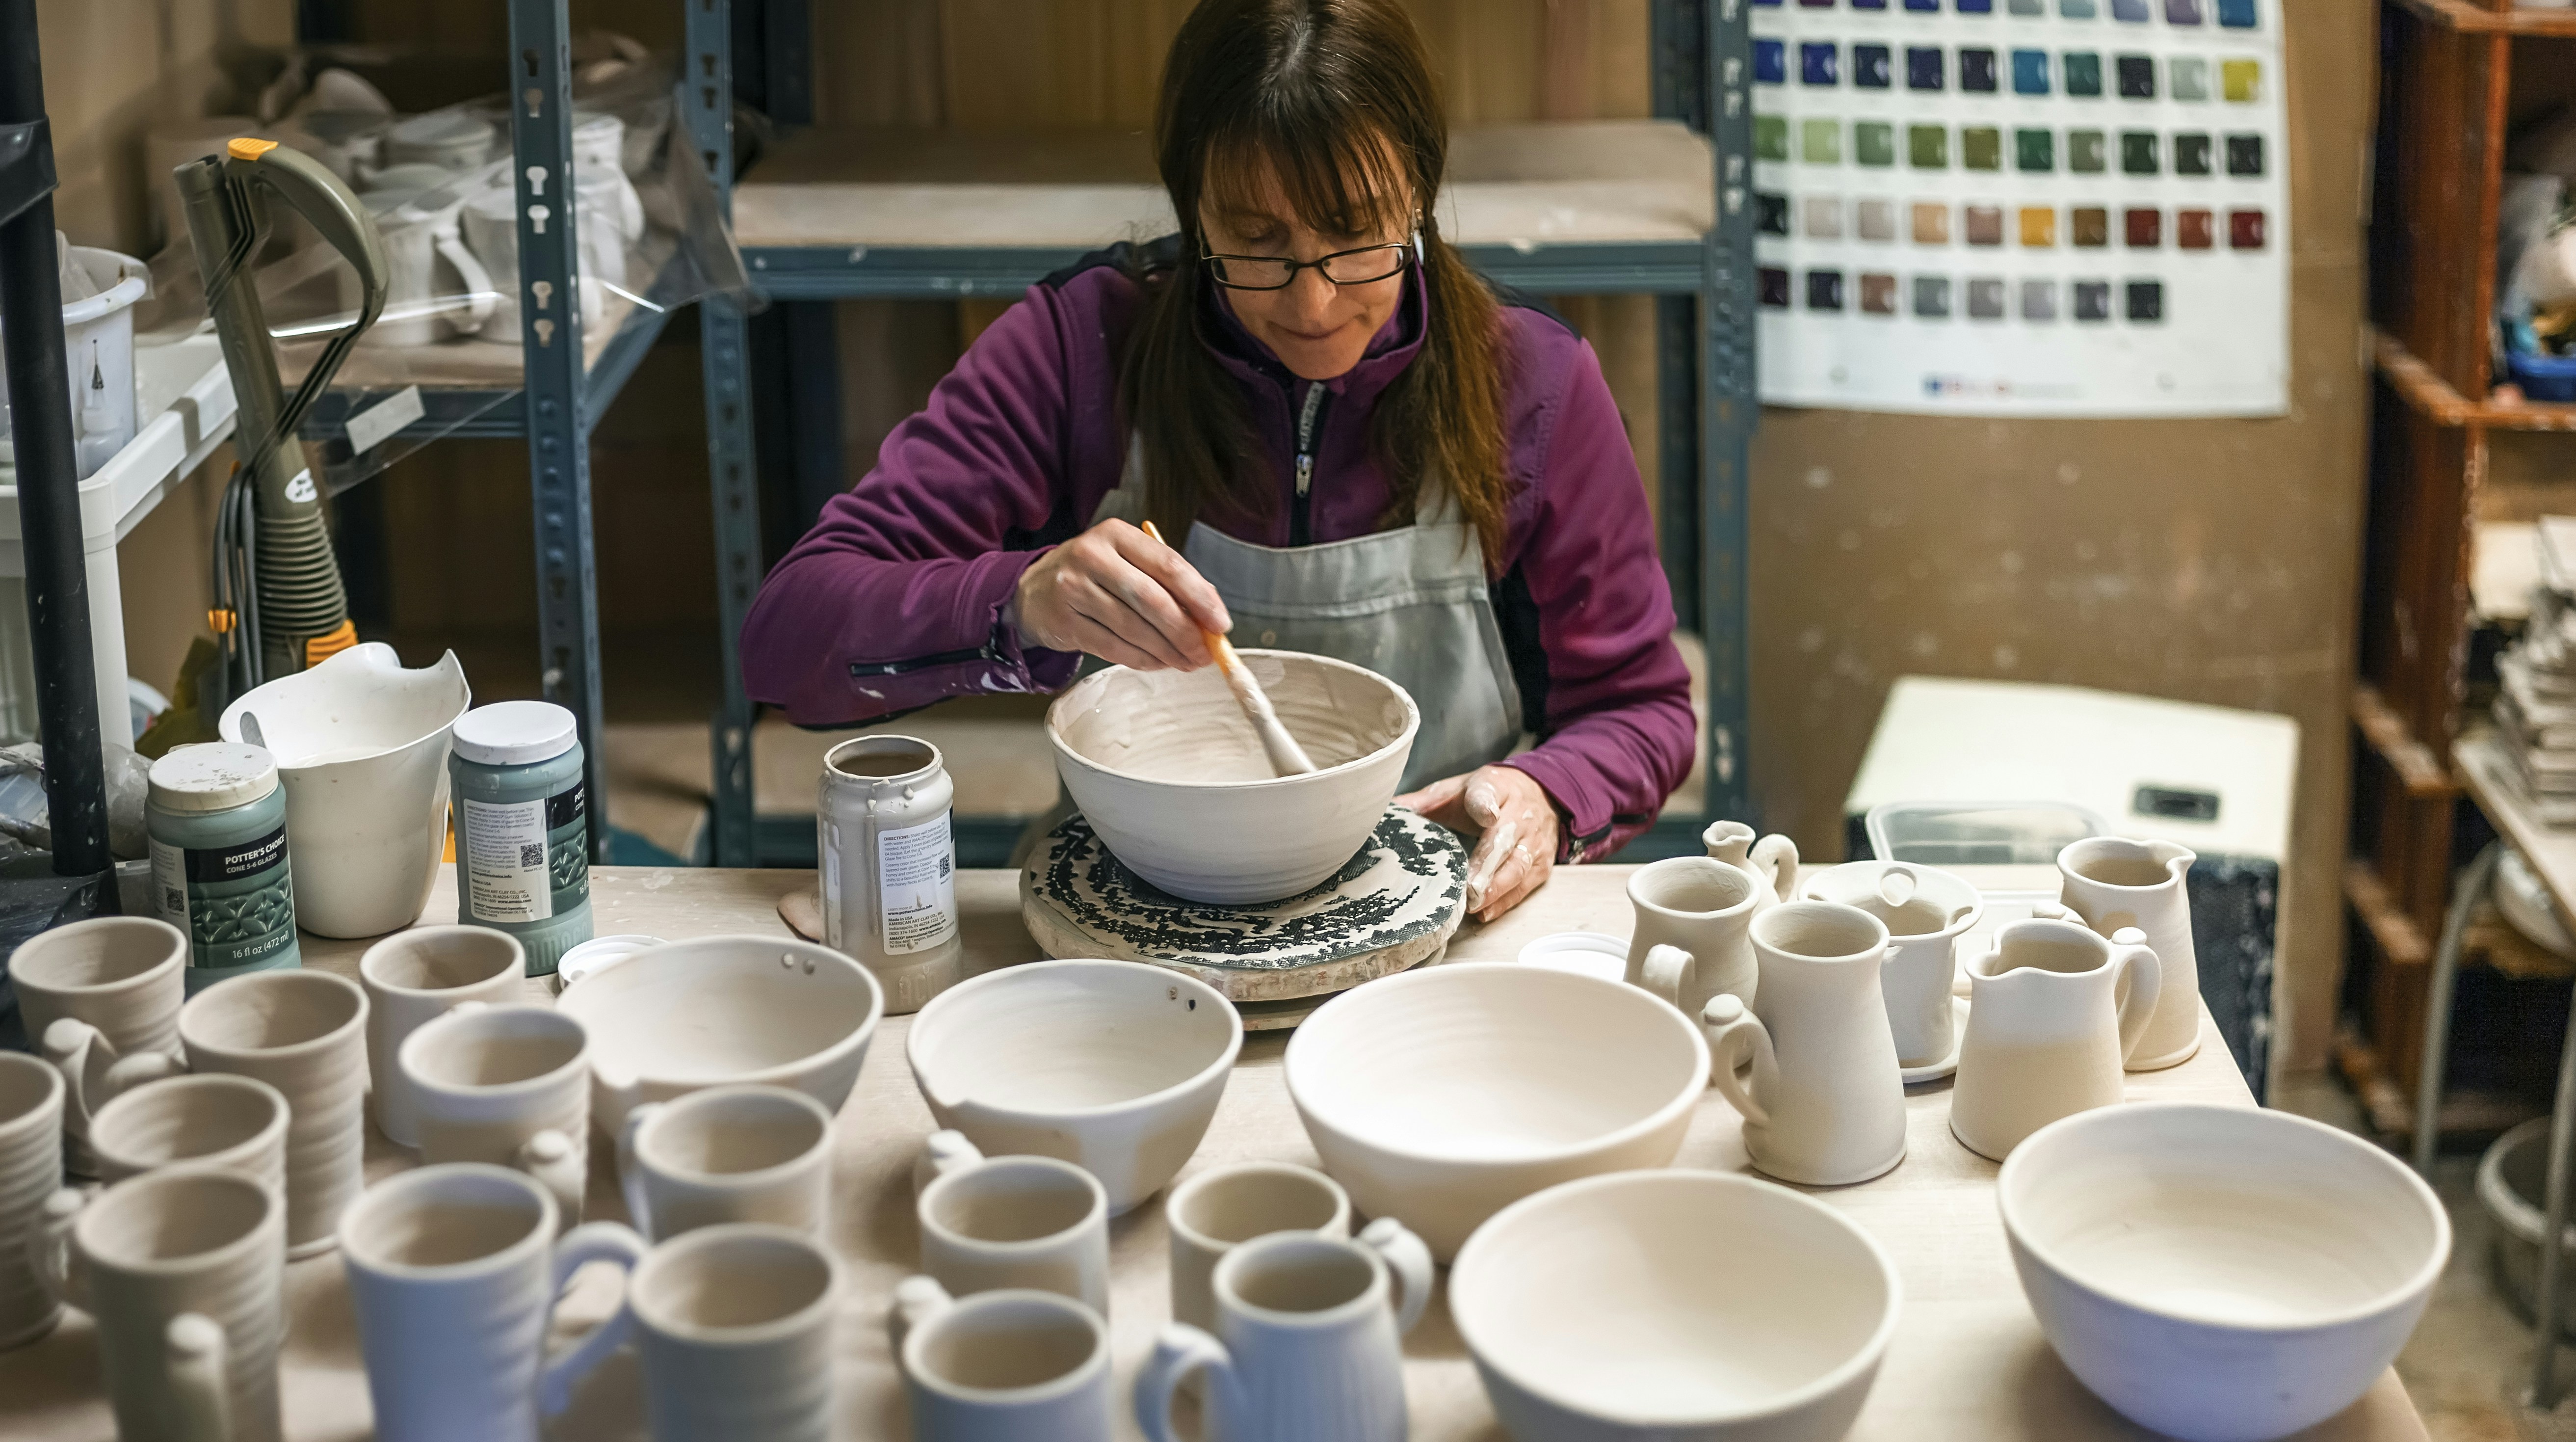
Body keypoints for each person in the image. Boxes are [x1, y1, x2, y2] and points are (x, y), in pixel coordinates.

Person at [741, 0, 1694, 921]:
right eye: (1255, 241)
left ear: (1419, 195)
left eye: (1358, 234)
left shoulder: (1530, 380)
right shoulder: (1083, 346)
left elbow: (1644, 707)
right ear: (1192, 209)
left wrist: (1547, 791)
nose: (1314, 305)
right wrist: (1019, 601)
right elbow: (787, 646)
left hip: (1423, 898)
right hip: (1134, 900)